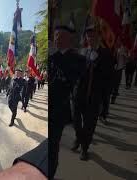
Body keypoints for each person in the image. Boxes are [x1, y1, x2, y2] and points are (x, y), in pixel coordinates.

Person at [72, 24, 115, 160]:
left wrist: (105, 99)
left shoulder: (106, 54)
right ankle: (79, 138)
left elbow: (109, 77)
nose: (91, 38)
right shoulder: (82, 52)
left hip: (95, 95)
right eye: (89, 35)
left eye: (94, 35)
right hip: (79, 94)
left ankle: (85, 148)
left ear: (99, 37)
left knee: (90, 124)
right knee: (76, 120)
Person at [50, 24, 86, 178]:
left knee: (52, 146)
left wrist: (55, 57)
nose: (57, 39)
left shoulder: (78, 59)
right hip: (48, 107)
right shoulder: (51, 57)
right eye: (56, 36)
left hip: (60, 109)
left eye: (61, 36)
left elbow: (73, 79)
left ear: (70, 39)